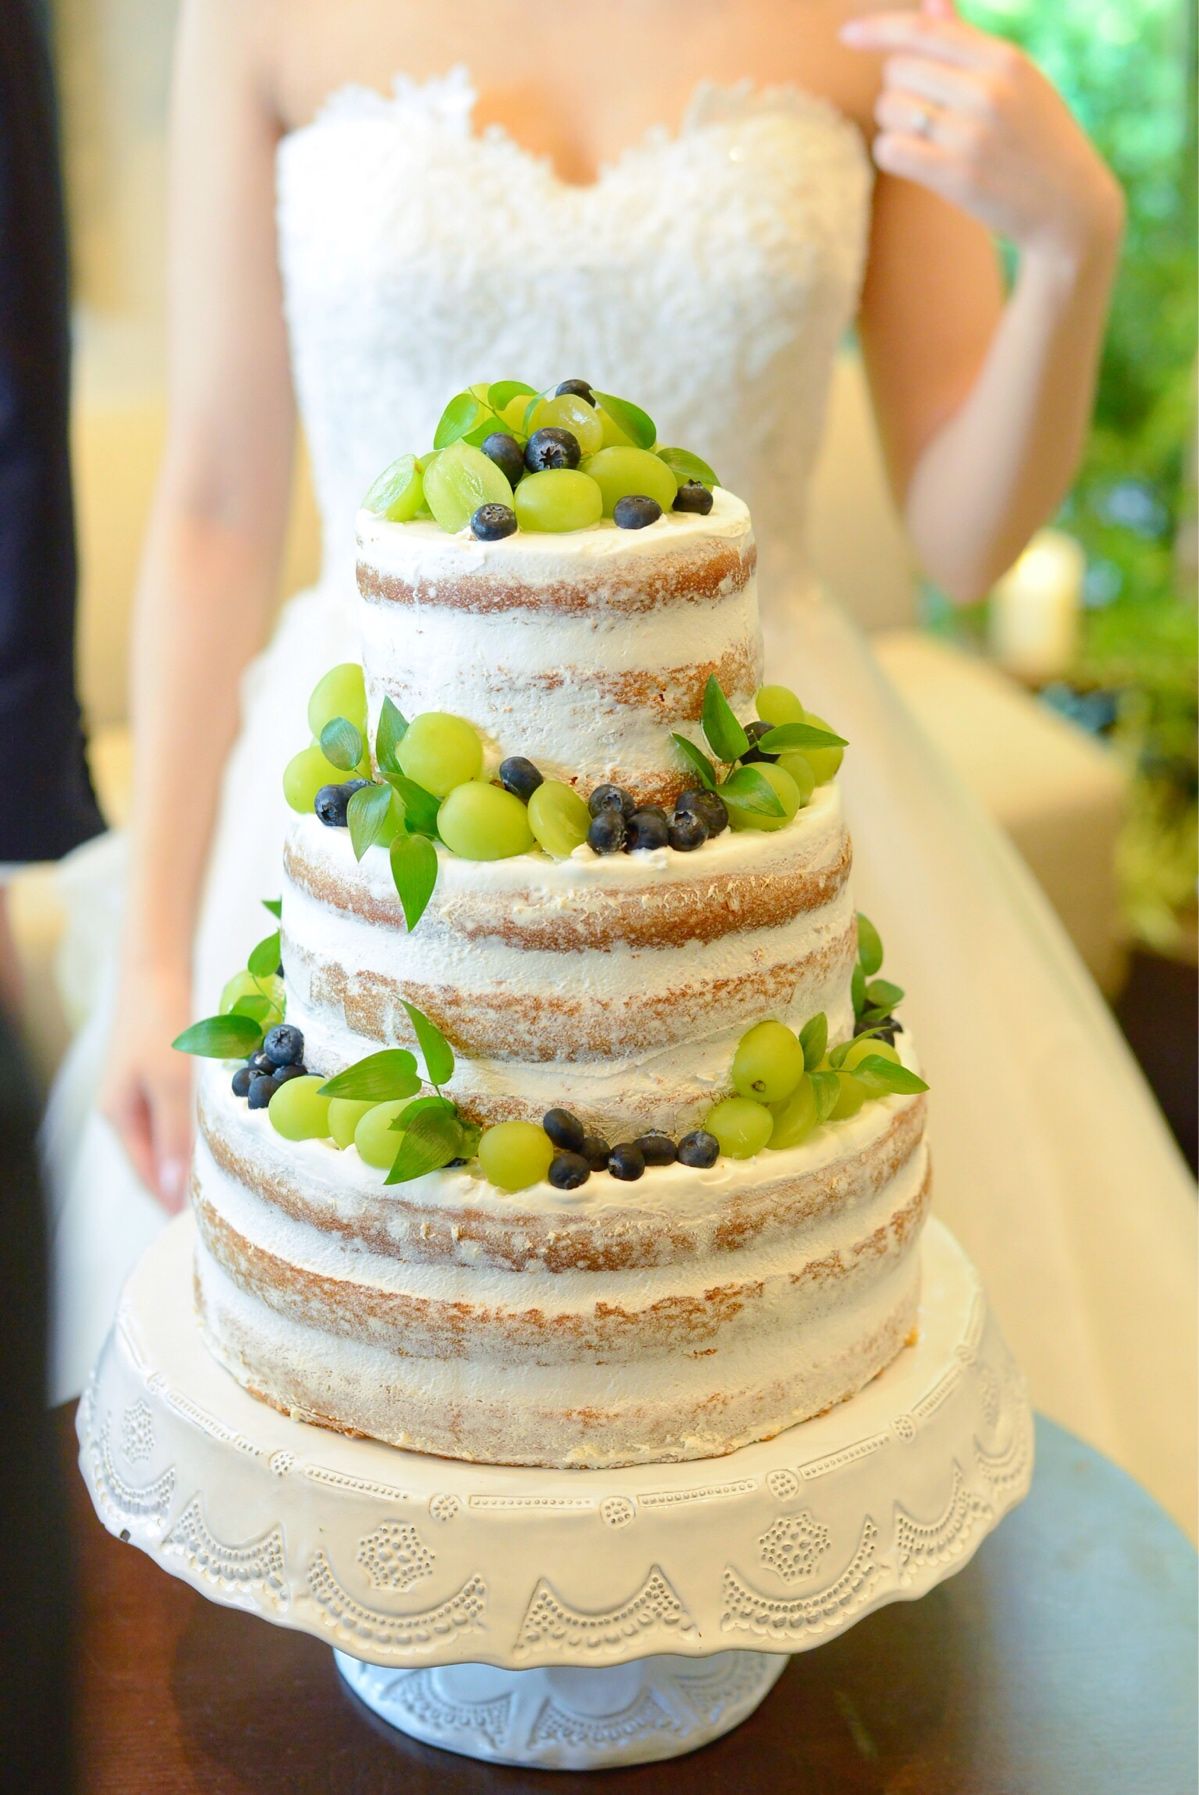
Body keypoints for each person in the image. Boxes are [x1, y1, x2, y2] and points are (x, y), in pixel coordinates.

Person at [45, 0, 1196, 1530]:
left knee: (816, 1434)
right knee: (341, 1447)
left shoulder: (875, 15)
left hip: (757, 794)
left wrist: (1069, 249)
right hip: (381, 806)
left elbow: (964, 537)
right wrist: (149, 966)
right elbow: (214, 508)